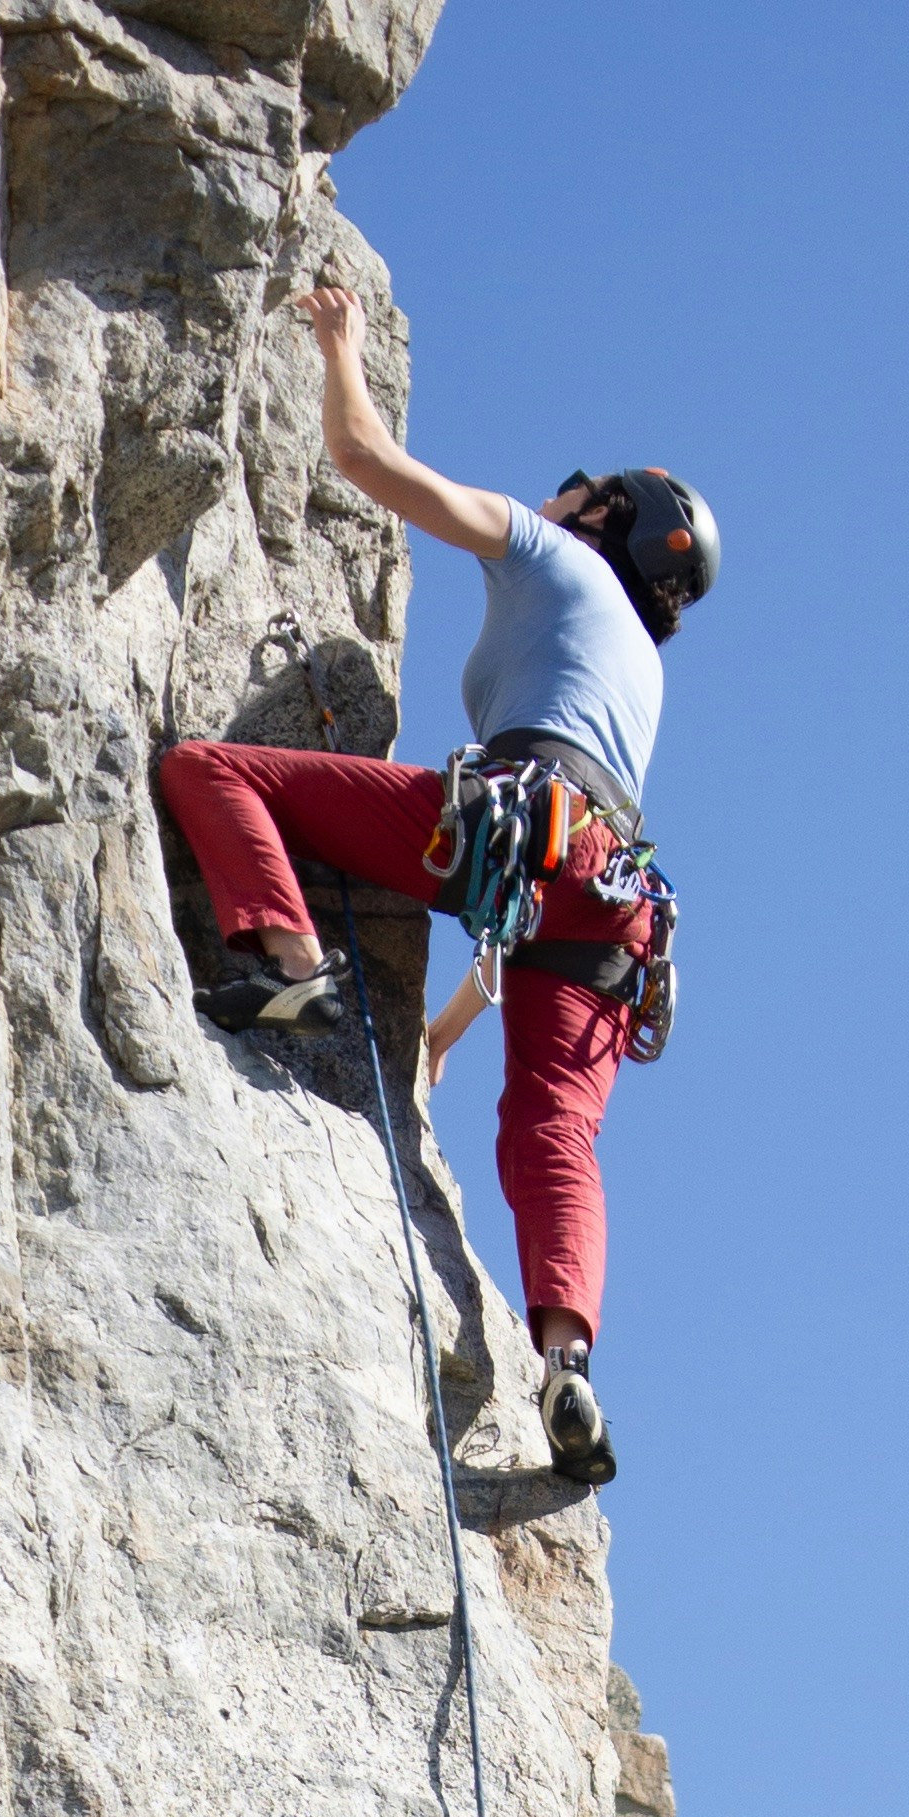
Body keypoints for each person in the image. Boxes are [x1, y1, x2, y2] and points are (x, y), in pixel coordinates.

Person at [154, 284, 717, 1486]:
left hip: (510, 825)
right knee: (555, 1131)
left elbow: (362, 456)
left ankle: (292, 965)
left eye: (578, 485)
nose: (555, 488)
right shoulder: (642, 676)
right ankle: (566, 1361)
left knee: (210, 770)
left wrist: (338, 347)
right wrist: (447, 1035)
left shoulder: (548, 548)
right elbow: (536, 916)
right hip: (614, 895)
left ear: (601, 514)